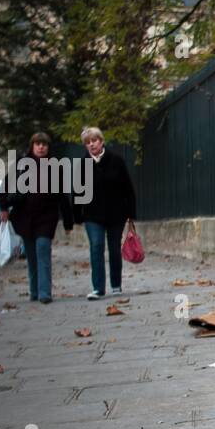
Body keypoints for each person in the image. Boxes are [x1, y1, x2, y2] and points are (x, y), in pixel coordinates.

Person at [0, 131, 74, 303]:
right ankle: (34, 291)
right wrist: (4, 207)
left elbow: (62, 195)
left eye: (44, 144)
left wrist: (68, 221)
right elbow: (5, 187)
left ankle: (44, 293)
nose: (41, 147)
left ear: (48, 147)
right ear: (32, 146)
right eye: (38, 144)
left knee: (42, 249)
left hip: (46, 218)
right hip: (24, 217)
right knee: (32, 256)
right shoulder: (21, 165)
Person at [76, 126, 136, 300]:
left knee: (114, 248)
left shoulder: (116, 160)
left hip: (116, 213)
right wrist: (77, 215)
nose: (92, 144)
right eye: (88, 142)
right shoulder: (83, 164)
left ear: (101, 141)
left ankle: (116, 284)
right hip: (92, 215)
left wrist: (131, 213)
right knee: (96, 246)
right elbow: (78, 191)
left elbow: (128, 188)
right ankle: (98, 288)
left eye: (94, 140)